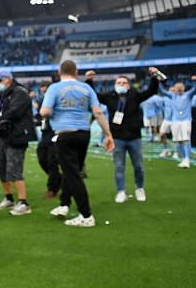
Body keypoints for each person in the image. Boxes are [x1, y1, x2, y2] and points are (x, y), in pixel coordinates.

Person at [40, 60, 114, 227]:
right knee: (71, 170)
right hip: (84, 134)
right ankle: (64, 204)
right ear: (76, 71)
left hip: (65, 134)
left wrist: (49, 114)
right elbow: (97, 111)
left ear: (60, 72)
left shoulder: (55, 88)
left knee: (73, 175)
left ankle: (86, 215)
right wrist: (108, 134)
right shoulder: (86, 88)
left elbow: (45, 111)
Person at [85, 68, 160, 202]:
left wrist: (154, 77)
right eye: (119, 82)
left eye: (124, 82)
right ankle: (121, 191)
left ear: (128, 85)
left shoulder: (135, 95)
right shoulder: (110, 96)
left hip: (134, 137)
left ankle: (139, 188)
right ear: (115, 84)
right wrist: (89, 81)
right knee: (119, 166)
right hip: (117, 137)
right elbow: (94, 95)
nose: (121, 84)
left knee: (138, 166)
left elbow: (151, 91)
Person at [0, 70, 37, 216]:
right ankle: (9, 198)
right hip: (5, 136)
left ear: (8, 79)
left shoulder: (19, 93)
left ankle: (23, 202)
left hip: (17, 136)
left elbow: (14, 112)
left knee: (14, 170)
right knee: (1, 168)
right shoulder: (5, 94)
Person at [158, 77, 196, 168]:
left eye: (181, 86)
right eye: (177, 87)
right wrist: (159, 82)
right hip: (175, 121)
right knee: (178, 141)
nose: (179, 88)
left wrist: (194, 81)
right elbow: (163, 91)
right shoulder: (172, 96)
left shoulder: (188, 95)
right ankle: (183, 159)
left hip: (185, 121)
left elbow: (195, 89)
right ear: (174, 88)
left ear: (183, 88)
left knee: (186, 140)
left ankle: (187, 159)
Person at [34, 81, 61, 198]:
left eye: (45, 87)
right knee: (41, 157)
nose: (43, 89)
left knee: (52, 161)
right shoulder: (42, 100)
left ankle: (52, 188)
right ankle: (61, 180)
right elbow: (41, 116)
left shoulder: (56, 99)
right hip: (45, 133)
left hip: (54, 132)